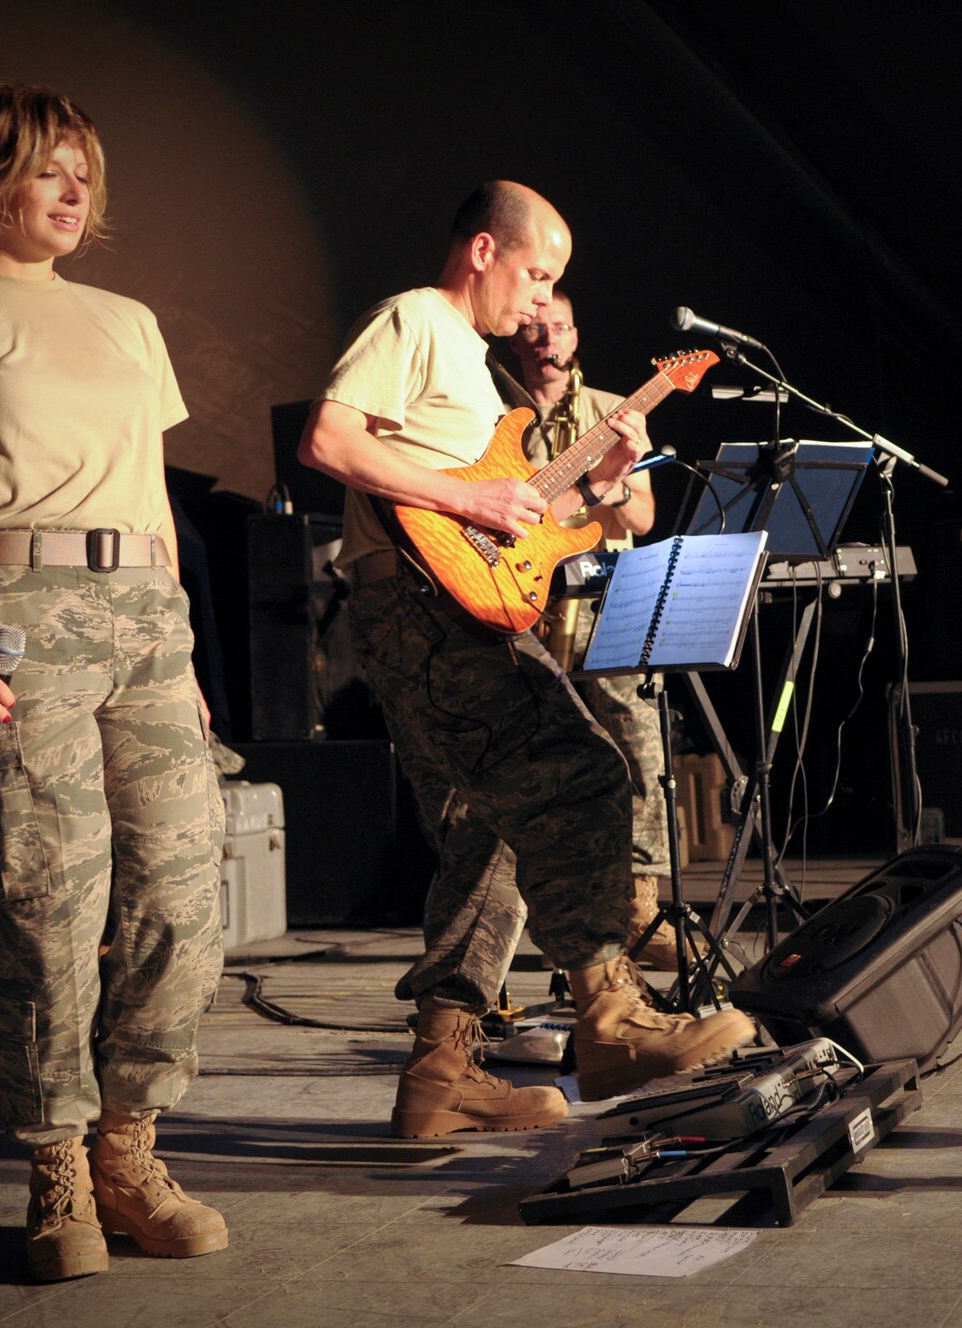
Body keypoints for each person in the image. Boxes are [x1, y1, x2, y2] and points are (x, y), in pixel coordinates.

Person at [0, 83, 228, 1280]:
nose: (76, 193)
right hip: (13, 612)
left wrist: (183, 651)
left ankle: (130, 1147)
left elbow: (155, 499)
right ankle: (57, 1161)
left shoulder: (127, 319)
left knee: (181, 891)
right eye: (50, 170)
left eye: (85, 172)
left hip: (143, 621)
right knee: (43, 905)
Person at [298, 181, 754, 1139]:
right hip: (419, 602)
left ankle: (440, 1072)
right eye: (535, 273)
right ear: (481, 252)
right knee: (587, 771)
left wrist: (592, 488)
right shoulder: (417, 318)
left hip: (451, 600)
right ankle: (610, 1018)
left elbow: (512, 507)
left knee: (488, 827)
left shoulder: (469, 365)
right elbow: (329, 438)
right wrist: (468, 506)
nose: (539, 299)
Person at [507, 291, 687, 968]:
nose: (546, 337)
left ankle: (639, 911)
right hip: (521, 602)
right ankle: (552, 919)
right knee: (536, 765)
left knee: (639, 750)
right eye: (534, 325)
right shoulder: (496, 413)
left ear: (576, 333)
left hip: (606, 604)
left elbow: (642, 520)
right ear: (516, 333)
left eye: (558, 326)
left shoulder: (615, 411)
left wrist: (610, 484)